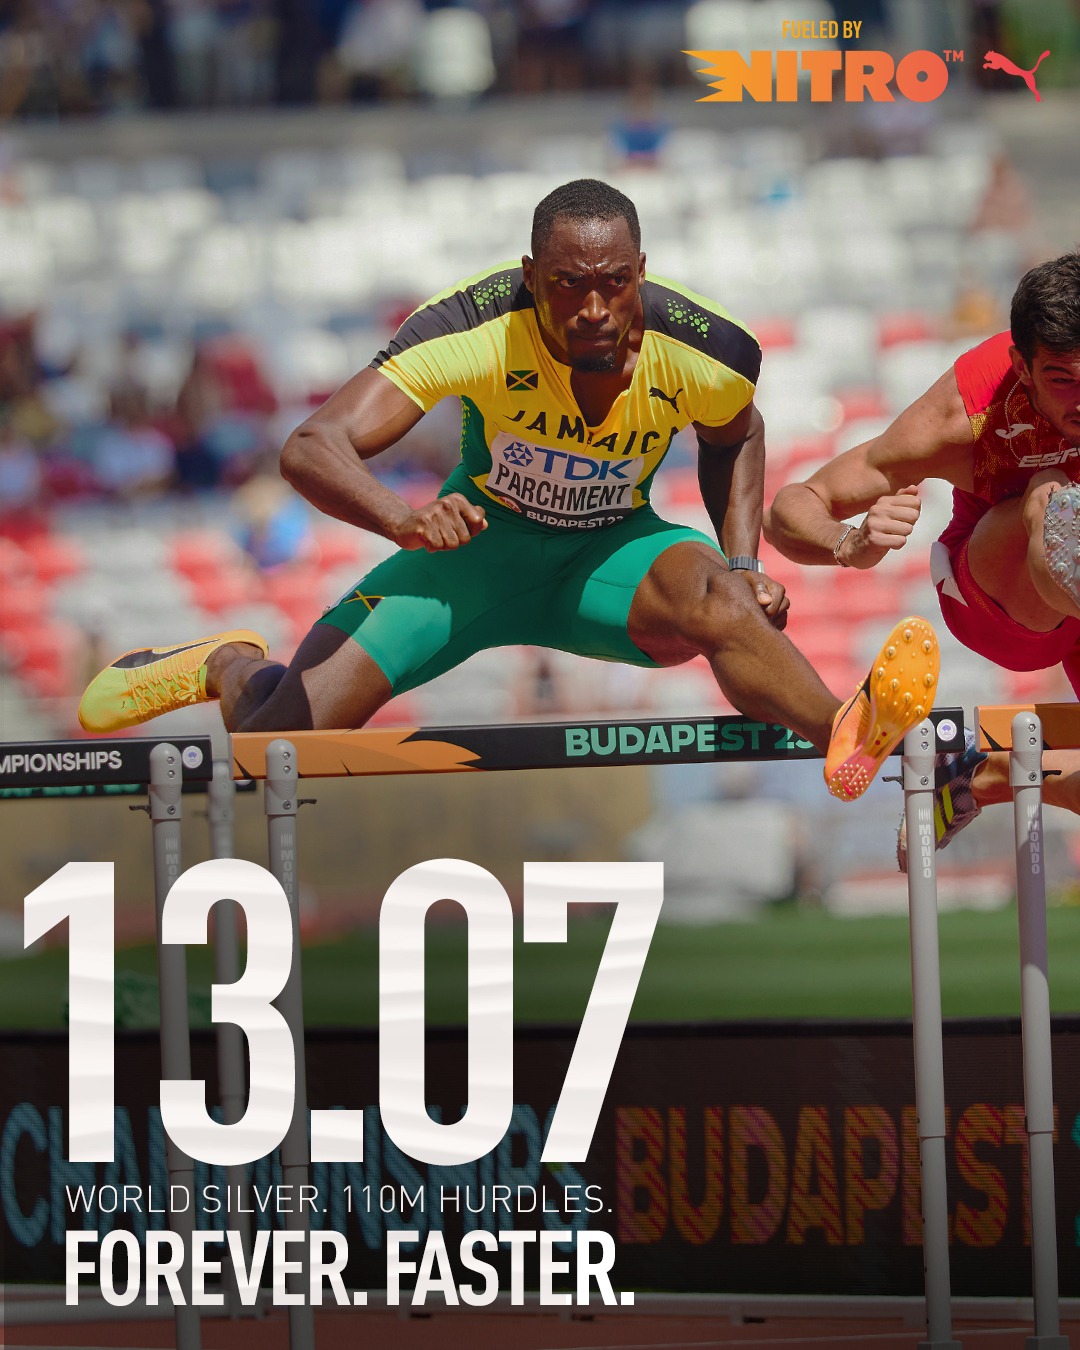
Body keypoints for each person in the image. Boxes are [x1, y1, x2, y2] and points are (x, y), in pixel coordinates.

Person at [79, 178, 938, 803]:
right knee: (272, 743)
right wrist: (403, 519)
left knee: (724, 600)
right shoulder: (474, 325)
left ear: (642, 270)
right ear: (532, 275)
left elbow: (736, 433)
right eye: (568, 284)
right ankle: (227, 663)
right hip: (468, 558)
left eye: (614, 282)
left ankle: (847, 730)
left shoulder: (709, 350)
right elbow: (311, 446)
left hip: (612, 555)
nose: (594, 307)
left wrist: (744, 561)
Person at [765, 250, 1080, 862]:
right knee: (1054, 494)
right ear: (1022, 367)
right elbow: (790, 508)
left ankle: (982, 779)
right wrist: (848, 544)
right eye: (1062, 380)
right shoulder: (963, 416)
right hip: (1001, 599)